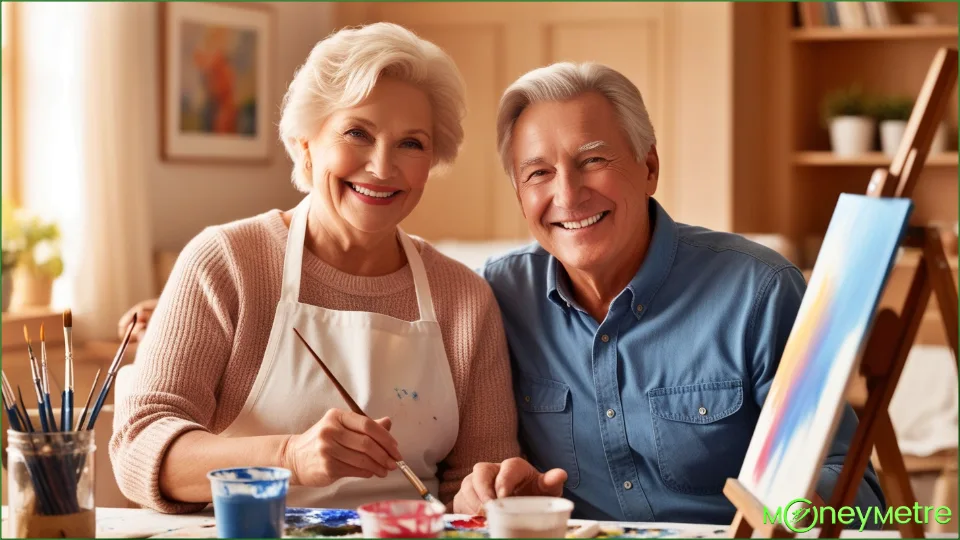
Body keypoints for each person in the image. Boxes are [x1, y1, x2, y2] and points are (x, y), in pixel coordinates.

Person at [110, 23, 520, 514]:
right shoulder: (226, 262)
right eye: (356, 133)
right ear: (305, 144)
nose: (383, 167)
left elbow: (474, 484)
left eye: (411, 143)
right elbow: (140, 447)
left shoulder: (464, 298)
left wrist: (488, 493)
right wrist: (289, 457)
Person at [453, 62, 886, 525]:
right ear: (519, 193)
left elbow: (858, 492)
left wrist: (791, 512)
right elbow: (467, 477)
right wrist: (490, 497)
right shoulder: (497, 297)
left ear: (650, 168)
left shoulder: (760, 290)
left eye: (593, 161)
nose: (568, 194)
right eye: (538, 173)